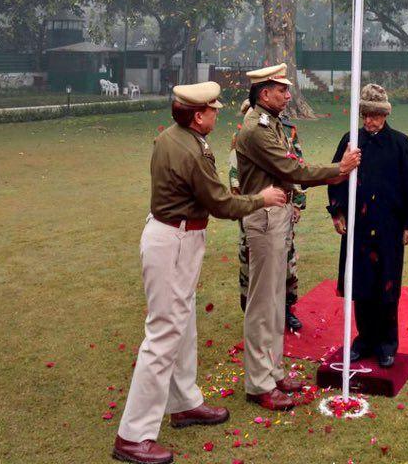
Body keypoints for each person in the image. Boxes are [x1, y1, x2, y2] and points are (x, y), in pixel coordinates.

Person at [112, 82, 287, 464]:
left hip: (175, 236)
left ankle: (184, 402)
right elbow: (222, 203)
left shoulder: (173, 139)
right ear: (197, 116)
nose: (217, 114)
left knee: (184, 323)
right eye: (212, 110)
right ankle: (133, 434)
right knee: (163, 334)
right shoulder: (191, 151)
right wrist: (263, 198)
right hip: (173, 240)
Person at [234, 63, 361, 411]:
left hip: (277, 215)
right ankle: (259, 382)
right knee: (262, 304)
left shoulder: (271, 124)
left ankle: (272, 373)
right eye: (282, 90)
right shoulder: (258, 130)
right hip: (263, 218)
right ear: (264, 94)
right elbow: (293, 169)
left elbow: (291, 166)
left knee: (276, 301)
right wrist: (340, 170)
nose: (288, 96)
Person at [327, 83, 408, 369]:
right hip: (358, 226)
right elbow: (337, 177)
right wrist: (337, 213)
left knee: (387, 286)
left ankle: (386, 344)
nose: (369, 121)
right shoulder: (351, 141)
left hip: (389, 228)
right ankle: (364, 339)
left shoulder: (400, 143)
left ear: (385, 115)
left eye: (375, 116)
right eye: (365, 115)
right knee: (360, 284)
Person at [230, 99, 306, 331]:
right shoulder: (245, 134)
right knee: (251, 259)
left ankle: (285, 309)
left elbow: (297, 166)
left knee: (286, 258)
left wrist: (298, 203)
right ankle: (253, 310)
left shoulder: (288, 131)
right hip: (255, 208)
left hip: (283, 205)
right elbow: (236, 172)